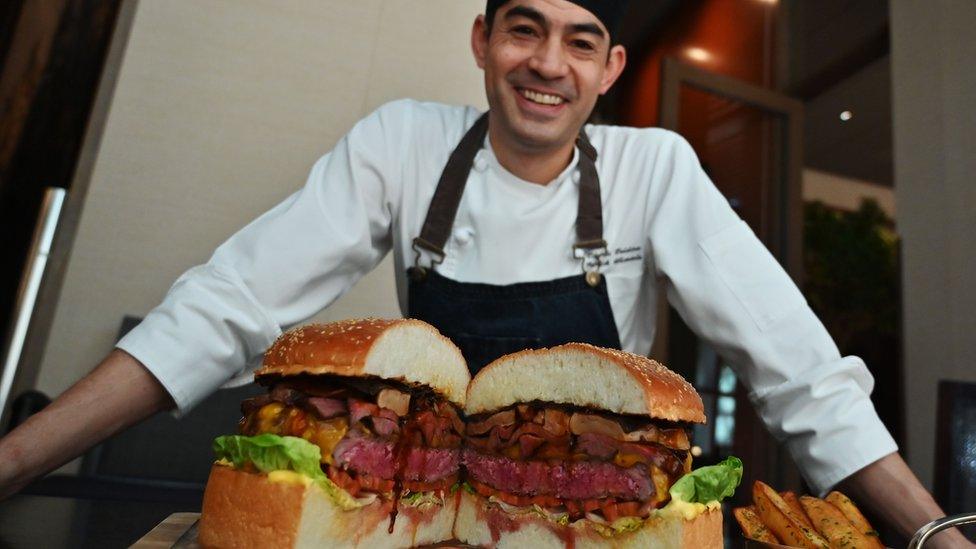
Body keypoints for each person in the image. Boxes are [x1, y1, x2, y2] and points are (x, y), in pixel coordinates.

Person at [0, 0, 969, 546]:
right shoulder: (402, 143)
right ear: (481, 39)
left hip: (592, 522)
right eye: (523, 29)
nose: (545, 63)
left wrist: (929, 536)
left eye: (578, 41)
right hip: (400, 514)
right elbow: (225, 308)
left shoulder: (653, 168)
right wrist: (16, 462)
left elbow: (795, 368)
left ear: (608, 68)